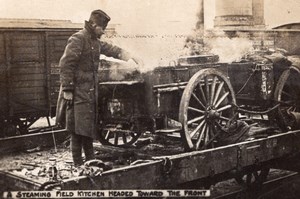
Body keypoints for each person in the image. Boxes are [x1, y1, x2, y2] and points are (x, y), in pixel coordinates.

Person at [56, 9, 140, 166]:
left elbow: (111, 50)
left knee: (87, 127)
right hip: (76, 92)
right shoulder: (78, 38)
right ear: (93, 25)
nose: (104, 31)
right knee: (77, 129)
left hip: (89, 92)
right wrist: (67, 90)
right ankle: (78, 163)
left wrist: (131, 55)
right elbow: (66, 65)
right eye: (102, 28)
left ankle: (90, 160)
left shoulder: (94, 40)